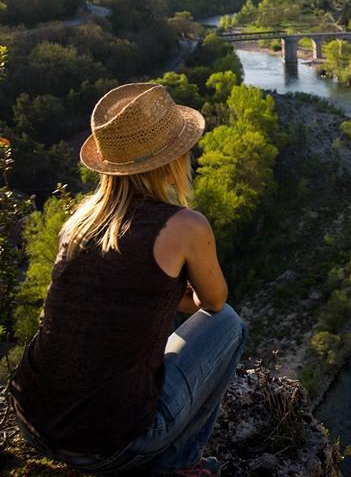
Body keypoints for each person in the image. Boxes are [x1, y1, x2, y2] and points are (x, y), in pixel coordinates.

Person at [8, 83, 246, 476]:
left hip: (34, 422)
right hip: (107, 446)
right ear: (172, 159)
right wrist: (183, 293)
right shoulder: (185, 225)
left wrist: (170, 293)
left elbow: (127, 298)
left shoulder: (78, 223)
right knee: (231, 325)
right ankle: (178, 464)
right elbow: (214, 303)